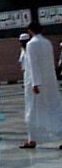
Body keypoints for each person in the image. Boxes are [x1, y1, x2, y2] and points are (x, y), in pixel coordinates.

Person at [19, 22, 62, 150]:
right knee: (54, 109)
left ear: (30, 31)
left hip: (36, 84)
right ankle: (32, 138)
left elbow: (33, 65)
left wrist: (35, 83)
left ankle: (32, 140)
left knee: (32, 111)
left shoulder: (31, 44)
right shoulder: (47, 42)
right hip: (50, 82)